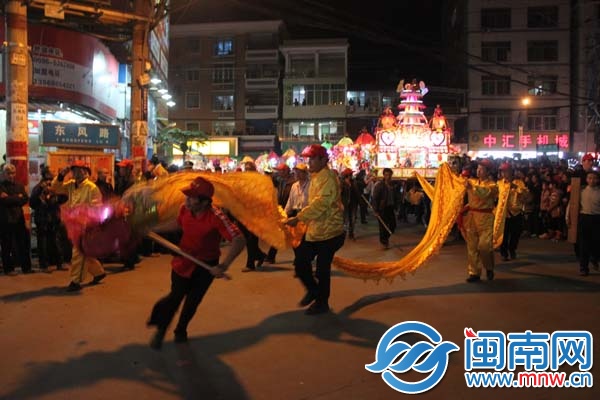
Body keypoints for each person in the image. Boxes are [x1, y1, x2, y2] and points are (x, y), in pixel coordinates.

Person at [147, 176, 245, 349]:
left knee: (192, 301)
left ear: (205, 202)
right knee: (175, 298)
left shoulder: (217, 216)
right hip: (183, 260)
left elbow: (239, 240)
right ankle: (161, 331)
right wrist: (154, 228)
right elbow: (177, 224)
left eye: (192, 197)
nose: (187, 200)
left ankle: (181, 330)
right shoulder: (184, 209)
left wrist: (223, 266)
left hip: (206, 267)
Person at [286, 144, 345, 315]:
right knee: (301, 263)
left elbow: (320, 204)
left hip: (331, 233)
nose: (309, 162)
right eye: (307, 159)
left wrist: (299, 218)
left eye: (312, 158)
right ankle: (314, 291)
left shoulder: (328, 178)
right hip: (315, 230)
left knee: (322, 269)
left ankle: (321, 302)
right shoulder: (316, 176)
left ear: (323, 159)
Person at [52, 160, 106, 291]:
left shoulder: (91, 188)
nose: (76, 173)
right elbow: (56, 188)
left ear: (86, 172)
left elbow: (97, 207)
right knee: (85, 253)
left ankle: (75, 281)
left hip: (86, 226)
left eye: (79, 170)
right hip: (74, 226)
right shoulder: (71, 185)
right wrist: (60, 176)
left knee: (78, 253)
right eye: (74, 170)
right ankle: (99, 272)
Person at [463, 159, 498, 282]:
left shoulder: (492, 186)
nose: (478, 170)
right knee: (472, 246)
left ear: (488, 172)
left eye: (482, 169)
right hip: (472, 216)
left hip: (486, 218)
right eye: (478, 168)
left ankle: (489, 267)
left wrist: (471, 187)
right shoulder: (472, 182)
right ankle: (474, 272)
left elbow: (483, 194)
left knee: (484, 246)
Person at [30, 167, 65, 272]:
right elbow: (32, 203)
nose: (54, 174)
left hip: (53, 218)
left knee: (56, 241)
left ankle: (59, 263)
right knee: (42, 243)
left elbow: (63, 198)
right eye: (52, 173)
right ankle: (44, 265)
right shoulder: (38, 187)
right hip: (42, 218)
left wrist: (56, 197)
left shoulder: (55, 187)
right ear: (46, 175)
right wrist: (42, 192)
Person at [0, 164, 32, 275]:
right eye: (8, 173)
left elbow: (25, 199)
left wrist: (9, 197)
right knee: (6, 246)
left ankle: (26, 268)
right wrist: (16, 197)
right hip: (5, 220)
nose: (11, 175)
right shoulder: (1, 185)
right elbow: (3, 201)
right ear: (4, 173)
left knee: (22, 244)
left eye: (13, 173)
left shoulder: (19, 185)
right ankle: (9, 269)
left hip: (19, 218)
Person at [498, 162, 528, 261]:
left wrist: (515, 187)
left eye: (506, 171)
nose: (504, 174)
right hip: (504, 213)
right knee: (504, 235)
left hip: (516, 212)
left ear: (511, 172)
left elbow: (525, 193)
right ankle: (504, 253)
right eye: (502, 171)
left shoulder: (519, 182)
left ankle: (512, 249)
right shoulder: (500, 183)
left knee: (515, 234)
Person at [371, 168, 397, 249]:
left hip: (390, 207)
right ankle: (384, 241)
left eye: (389, 175)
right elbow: (375, 198)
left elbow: (396, 196)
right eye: (386, 175)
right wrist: (375, 210)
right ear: (384, 175)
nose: (388, 177)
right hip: (382, 208)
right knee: (383, 226)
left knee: (393, 225)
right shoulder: (380, 185)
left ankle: (386, 238)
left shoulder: (393, 185)